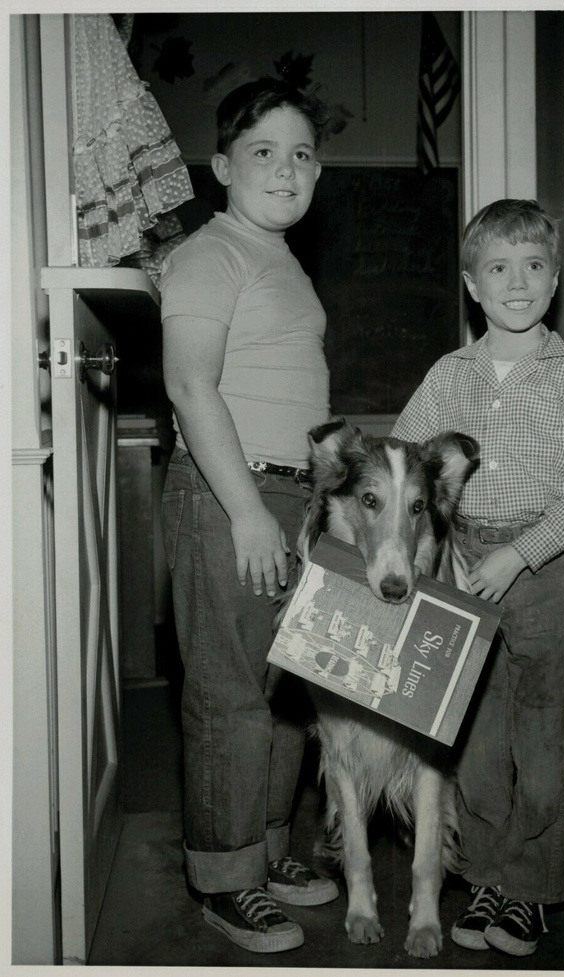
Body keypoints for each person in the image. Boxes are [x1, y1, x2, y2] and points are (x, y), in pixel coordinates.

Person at [392, 198, 564, 958]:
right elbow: (404, 460)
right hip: (461, 567)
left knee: (541, 741)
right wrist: (437, 540)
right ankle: (487, 874)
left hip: (544, 571)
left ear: (553, 281)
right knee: (478, 739)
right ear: (472, 284)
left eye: (531, 267)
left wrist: (519, 553)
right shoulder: (449, 375)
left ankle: (532, 889)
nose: (515, 282)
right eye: (497, 268)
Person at [159, 77, 338, 955]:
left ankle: (265, 856)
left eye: (302, 153)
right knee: (231, 695)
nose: (286, 169)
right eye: (263, 152)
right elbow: (191, 385)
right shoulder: (211, 253)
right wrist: (247, 513)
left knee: (283, 693)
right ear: (223, 166)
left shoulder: (279, 257)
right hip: (229, 496)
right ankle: (226, 879)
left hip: (288, 499)